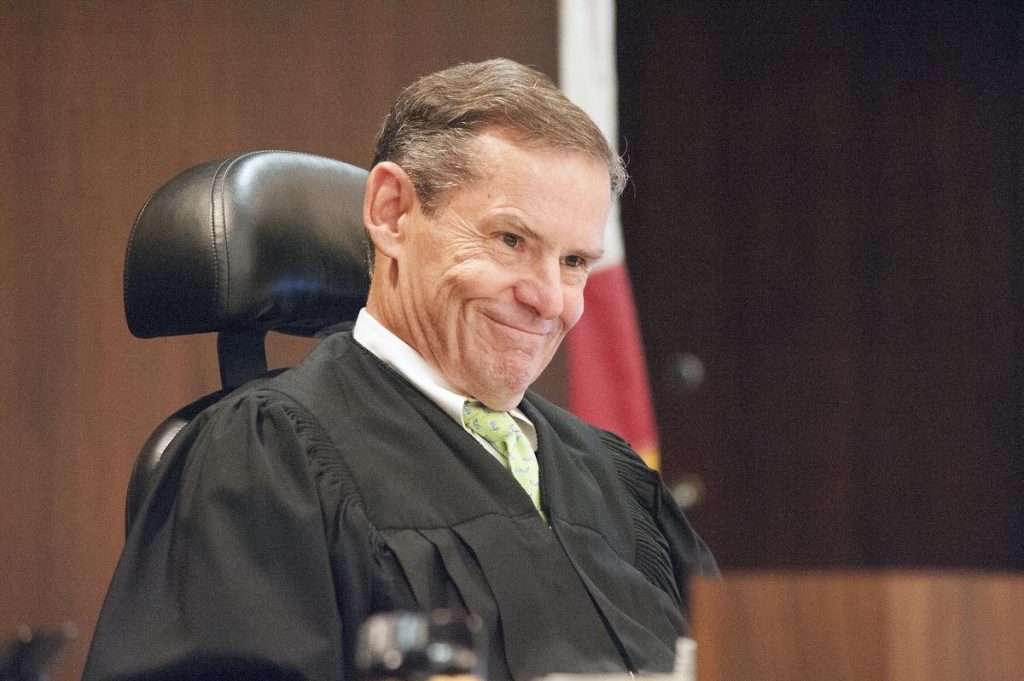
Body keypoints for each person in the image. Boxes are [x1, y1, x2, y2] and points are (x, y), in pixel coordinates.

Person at [83, 59, 717, 681]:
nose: (550, 299)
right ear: (392, 213)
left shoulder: (615, 477)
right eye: (511, 241)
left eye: (575, 259)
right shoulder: (268, 455)